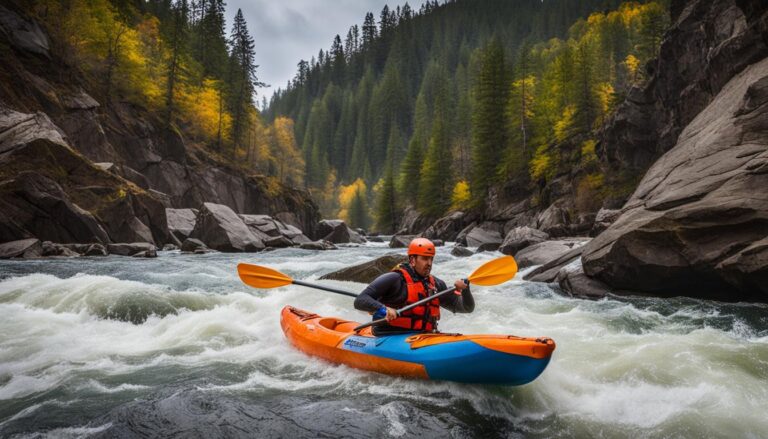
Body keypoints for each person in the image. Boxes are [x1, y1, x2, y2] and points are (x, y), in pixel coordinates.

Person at [353, 237, 474, 335]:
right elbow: (360, 300)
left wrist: (466, 290)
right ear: (412, 260)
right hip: (390, 335)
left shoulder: (436, 284)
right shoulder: (394, 279)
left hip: (424, 335)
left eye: (431, 259)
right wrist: (383, 309)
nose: (429, 264)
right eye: (425, 259)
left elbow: (466, 308)